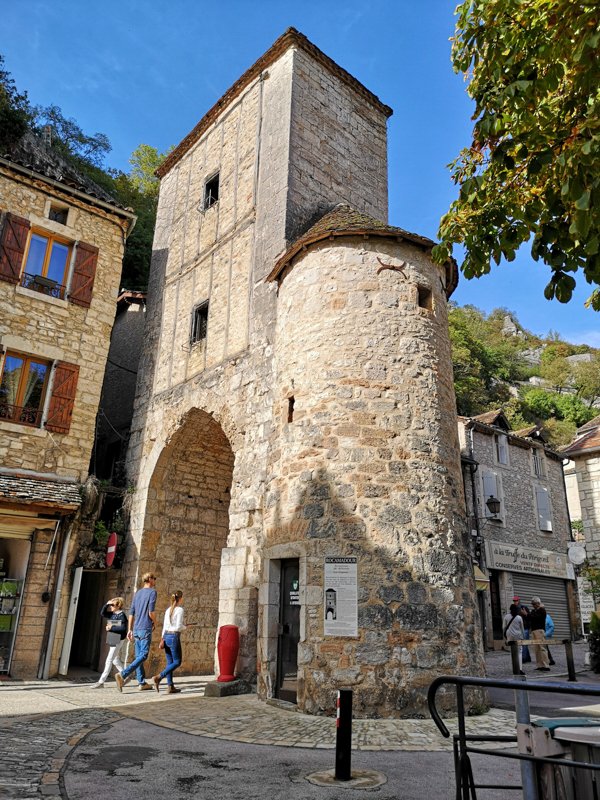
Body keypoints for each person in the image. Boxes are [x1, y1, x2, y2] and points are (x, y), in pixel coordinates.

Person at [115, 572, 157, 691]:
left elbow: (132, 613)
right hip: (145, 627)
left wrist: (130, 630)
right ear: (149, 579)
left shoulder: (138, 593)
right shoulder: (153, 592)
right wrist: (155, 621)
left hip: (137, 628)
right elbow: (151, 612)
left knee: (139, 656)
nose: (155, 580)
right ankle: (123, 674)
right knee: (143, 655)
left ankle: (142, 682)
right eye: (154, 578)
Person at [152, 590, 190, 694]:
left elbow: (165, 626)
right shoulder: (180, 610)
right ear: (180, 598)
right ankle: (158, 677)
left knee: (170, 662)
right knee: (177, 662)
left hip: (166, 636)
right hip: (174, 636)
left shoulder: (168, 610)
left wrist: (162, 638)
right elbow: (178, 626)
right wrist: (185, 627)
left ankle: (170, 686)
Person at [92, 596, 127, 688]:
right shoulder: (113, 614)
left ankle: (101, 682)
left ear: (118, 606)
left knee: (109, 660)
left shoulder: (121, 615)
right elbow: (102, 613)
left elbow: (123, 628)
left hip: (118, 639)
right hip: (113, 637)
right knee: (115, 660)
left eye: (113, 605)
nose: (111, 606)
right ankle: (126, 675)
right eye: (111, 605)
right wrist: (106, 604)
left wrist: (111, 627)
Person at [503, 603, 526, 674]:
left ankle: (515, 668)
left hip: (510, 636)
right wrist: (523, 637)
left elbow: (503, 627)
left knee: (513, 652)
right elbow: (522, 629)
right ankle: (520, 669)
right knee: (519, 652)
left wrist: (505, 637)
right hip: (518, 636)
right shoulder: (519, 618)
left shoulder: (506, 617)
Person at [529, 596, 550, 671]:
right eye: (532, 604)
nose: (533, 605)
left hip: (540, 630)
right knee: (536, 649)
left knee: (542, 648)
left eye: (534, 604)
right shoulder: (533, 611)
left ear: (538, 603)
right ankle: (539, 665)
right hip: (534, 630)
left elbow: (536, 618)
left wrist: (528, 614)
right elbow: (531, 618)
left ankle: (546, 665)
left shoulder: (542, 610)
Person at [513, 596, 531, 663]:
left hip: (525, 627)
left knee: (524, 643)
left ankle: (524, 658)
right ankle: (528, 657)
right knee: (524, 643)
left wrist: (529, 627)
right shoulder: (514, 609)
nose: (515, 602)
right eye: (514, 601)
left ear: (519, 601)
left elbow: (529, 617)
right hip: (519, 628)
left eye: (516, 601)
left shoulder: (524, 607)